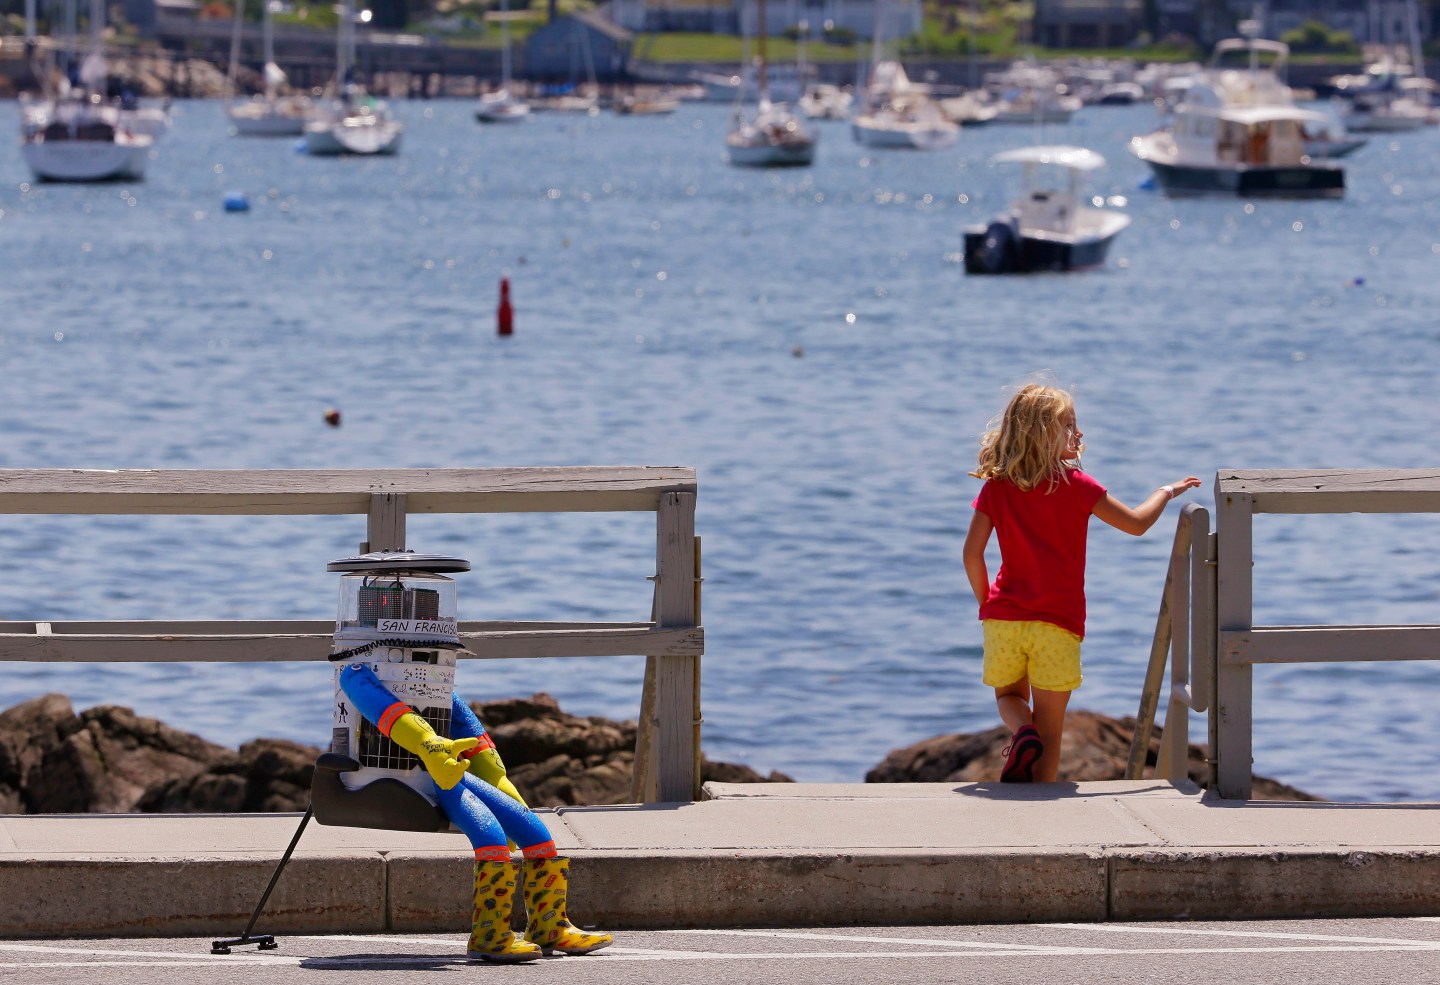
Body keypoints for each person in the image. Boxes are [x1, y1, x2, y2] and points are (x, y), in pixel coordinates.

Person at [962, 383, 1200, 783]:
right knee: (1052, 734)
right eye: (1069, 425)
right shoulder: (1078, 486)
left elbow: (972, 554)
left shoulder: (997, 487)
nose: (1080, 433)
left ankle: (1021, 732)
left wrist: (989, 604)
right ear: (1043, 433)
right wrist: (1165, 491)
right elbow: (1137, 524)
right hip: (1058, 623)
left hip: (1003, 619)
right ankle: (1043, 812)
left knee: (1009, 698)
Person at [339, 663, 613, 962]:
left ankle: (549, 926)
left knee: (537, 835)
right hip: (409, 777)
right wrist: (426, 743)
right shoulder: (355, 669)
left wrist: (495, 775)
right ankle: (490, 935)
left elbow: (462, 722)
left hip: (452, 769)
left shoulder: (431, 681)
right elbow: (370, 695)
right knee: (491, 837)